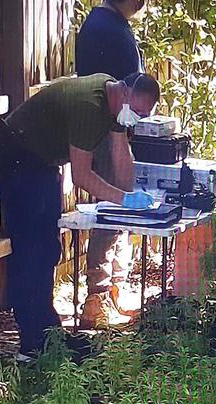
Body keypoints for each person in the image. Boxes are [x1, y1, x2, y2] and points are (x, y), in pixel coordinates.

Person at [0, 72, 159, 356]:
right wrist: (124, 199)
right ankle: (31, 344)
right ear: (124, 94)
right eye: (139, 112)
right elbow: (82, 176)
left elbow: (121, 155)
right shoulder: (90, 107)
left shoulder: (115, 105)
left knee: (47, 249)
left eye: (145, 115)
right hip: (18, 158)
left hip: (41, 162)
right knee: (31, 252)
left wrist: (136, 201)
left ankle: (49, 334)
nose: (139, 119)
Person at [75, 0, 146, 328]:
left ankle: (114, 287)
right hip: (107, 130)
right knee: (112, 208)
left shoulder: (111, 24)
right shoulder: (102, 27)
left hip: (117, 127)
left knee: (122, 208)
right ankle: (96, 296)